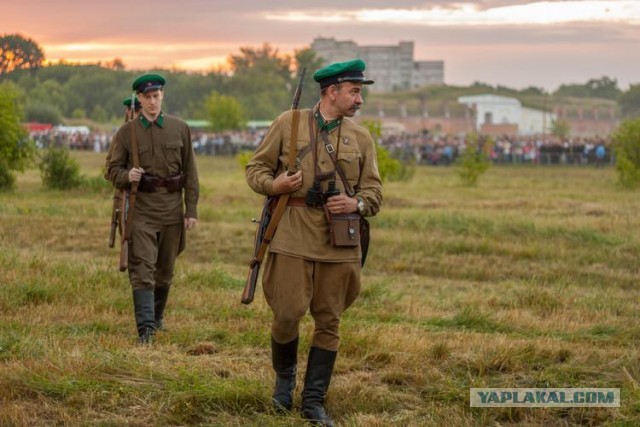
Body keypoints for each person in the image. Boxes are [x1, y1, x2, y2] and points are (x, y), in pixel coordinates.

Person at [246, 59, 383, 425]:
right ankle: (283, 383)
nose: (359, 99)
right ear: (331, 92)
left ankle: (313, 401)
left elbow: (374, 192)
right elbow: (254, 169)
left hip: (339, 240)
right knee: (287, 313)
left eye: (360, 92)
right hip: (291, 232)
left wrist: (356, 203)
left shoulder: (362, 138)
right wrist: (275, 186)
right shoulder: (288, 123)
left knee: (330, 320)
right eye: (354, 91)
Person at [108, 74, 199, 344]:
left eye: (156, 96)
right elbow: (111, 170)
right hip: (142, 210)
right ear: (139, 99)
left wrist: (190, 209)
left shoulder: (180, 128)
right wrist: (128, 176)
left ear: (163, 96)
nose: (152, 102)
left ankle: (157, 319)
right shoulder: (127, 133)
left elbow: (191, 172)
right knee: (142, 269)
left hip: (172, 209)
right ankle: (145, 331)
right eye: (147, 97)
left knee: (165, 270)